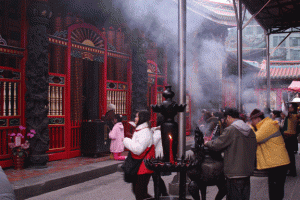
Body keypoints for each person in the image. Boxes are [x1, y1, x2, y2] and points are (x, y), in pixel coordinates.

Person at [204, 108, 257, 200]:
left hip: (234, 172)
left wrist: (207, 143)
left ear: (229, 117)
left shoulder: (231, 130)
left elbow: (217, 144)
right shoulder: (249, 129)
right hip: (247, 171)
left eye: (225, 119)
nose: (225, 122)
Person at [250, 109, 290, 200]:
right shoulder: (265, 125)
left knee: (276, 190)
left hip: (278, 163)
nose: (251, 123)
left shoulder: (268, 125)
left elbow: (255, 138)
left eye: (252, 120)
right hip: (275, 162)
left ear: (257, 119)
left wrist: (250, 127)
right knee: (274, 189)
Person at [123, 110, 155, 200]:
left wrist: (125, 140)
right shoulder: (141, 130)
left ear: (142, 118)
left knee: (139, 192)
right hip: (141, 165)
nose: (135, 119)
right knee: (140, 191)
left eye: (137, 117)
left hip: (143, 166)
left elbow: (138, 150)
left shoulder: (144, 132)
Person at [151, 114, 169, 197]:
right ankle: (164, 193)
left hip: (158, 156)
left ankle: (158, 195)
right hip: (163, 155)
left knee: (156, 177)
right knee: (157, 176)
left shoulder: (158, 131)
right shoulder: (165, 130)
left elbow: (153, 142)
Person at [282, 101, 299, 176]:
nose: (289, 108)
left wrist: (283, 103)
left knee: (289, 155)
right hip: (290, 137)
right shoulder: (294, 115)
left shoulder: (293, 115)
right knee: (290, 155)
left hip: (289, 138)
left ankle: (291, 171)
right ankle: (291, 170)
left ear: (293, 108)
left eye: (290, 107)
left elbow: (284, 111)